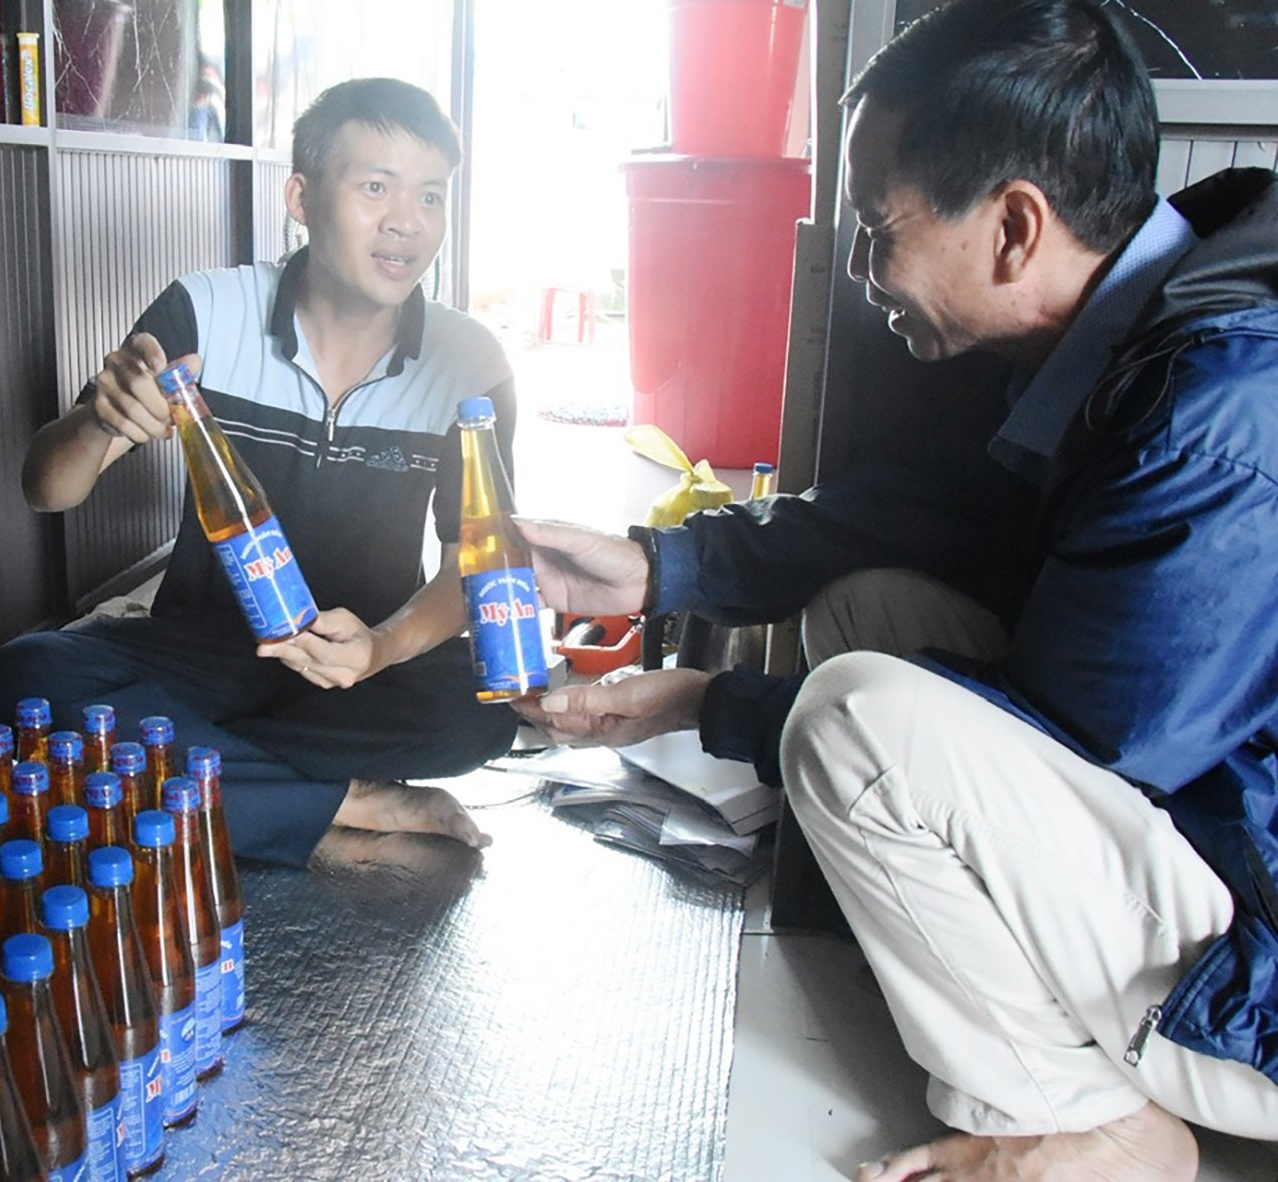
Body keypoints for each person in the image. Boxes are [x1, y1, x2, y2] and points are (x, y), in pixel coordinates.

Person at [515, 2, 1278, 1178]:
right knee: (864, 608)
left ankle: (1080, 1123)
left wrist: (702, 703)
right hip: (1208, 831)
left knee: (853, 719)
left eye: (877, 231)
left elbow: (1079, 742)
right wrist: (658, 564)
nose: (862, 270)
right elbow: (930, 517)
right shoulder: (1132, 335)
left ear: (1012, 227)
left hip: (1254, 981)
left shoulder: (1208, 418)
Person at [0, 78, 518, 868]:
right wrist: (100, 421)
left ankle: (196, 772)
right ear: (301, 197)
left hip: (356, 669)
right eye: (375, 187)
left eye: (431, 195)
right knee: (25, 674)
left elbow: (479, 563)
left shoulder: (469, 360)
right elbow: (46, 488)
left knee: (486, 706)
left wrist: (381, 645)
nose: (407, 221)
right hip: (202, 655)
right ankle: (342, 799)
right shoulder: (206, 314)